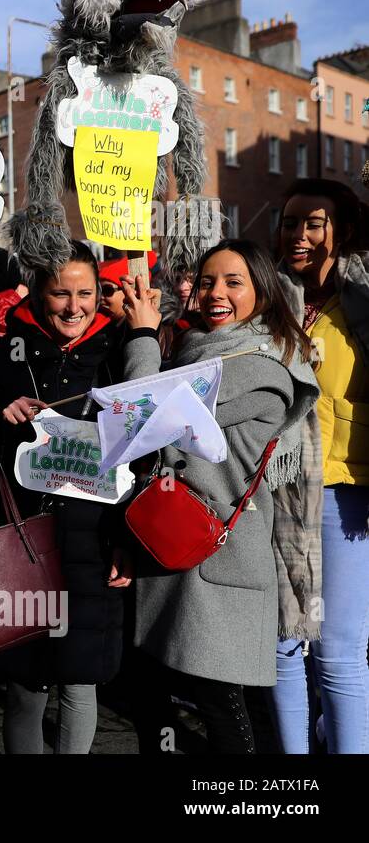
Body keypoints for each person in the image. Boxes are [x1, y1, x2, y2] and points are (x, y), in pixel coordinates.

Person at [120, 239, 318, 754]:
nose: (216, 293)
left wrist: (141, 333)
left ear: (263, 292)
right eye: (208, 281)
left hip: (214, 558)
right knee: (160, 694)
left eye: (234, 282)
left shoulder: (257, 367)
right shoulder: (194, 350)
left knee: (221, 705)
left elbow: (144, 414)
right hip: (172, 542)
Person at [0, 240, 128, 754]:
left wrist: (127, 542)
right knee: (25, 683)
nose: (74, 306)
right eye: (60, 293)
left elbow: (148, 446)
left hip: (94, 542)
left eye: (85, 293)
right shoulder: (2, 352)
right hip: (24, 539)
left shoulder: (119, 351)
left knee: (80, 682)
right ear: (39, 293)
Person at [269, 178, 369, 753]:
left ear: (344, 231)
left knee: (335, 649)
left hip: (346, 491)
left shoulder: (364, 302)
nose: (299, 235)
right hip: (278, 490)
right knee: (284, 640)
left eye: (314, 223)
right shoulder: (268, 300)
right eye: (289, 223)